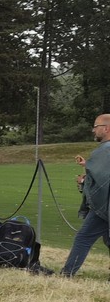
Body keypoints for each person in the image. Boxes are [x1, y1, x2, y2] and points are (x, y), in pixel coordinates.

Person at [65, 110, 110, 277]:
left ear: (106, 128)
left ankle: (67, 273)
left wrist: (83, 182)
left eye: (96, 126)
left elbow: (102, 181)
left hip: (103, 207)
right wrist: (87, 166)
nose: (93, 130)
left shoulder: (105, 150)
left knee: (83, 238)